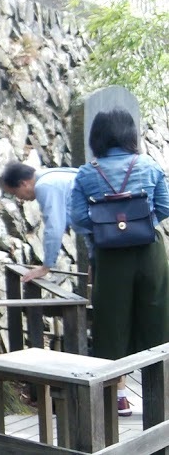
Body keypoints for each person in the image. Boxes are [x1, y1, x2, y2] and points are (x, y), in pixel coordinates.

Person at [70, 108, 169, 417]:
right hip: (149, 252)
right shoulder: (150, 166)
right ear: (130, 134)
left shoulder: (87, 173)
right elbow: (165, 206)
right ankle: (162, 398)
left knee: (111, 325)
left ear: (96, 137)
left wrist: (108, 228)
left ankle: (118, 398)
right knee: (158, 319)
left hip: (110, 257)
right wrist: (138, 223)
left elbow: (77, 218)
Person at [0, 162, 80, 283]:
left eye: (15, 193)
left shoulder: (45, 186)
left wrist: (45, 267)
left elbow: (54, 228)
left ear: (23, 183)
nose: (18, 198)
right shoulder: (50, 175)